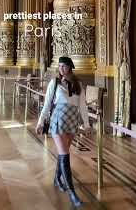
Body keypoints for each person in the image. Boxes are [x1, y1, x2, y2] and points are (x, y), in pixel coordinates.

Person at [36, 57, 90, 207]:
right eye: (59, 66)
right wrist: (40, 122)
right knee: (65, 155)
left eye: (64, 66)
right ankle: (72, 193)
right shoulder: (54, 83)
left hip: (72, 121)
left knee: (62, 153)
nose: (60, 69)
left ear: (70, 68)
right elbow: (47, 105)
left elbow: (83, 106)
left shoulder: (78, 84)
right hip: (57, 121)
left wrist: (86, 124)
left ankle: (56, 178)